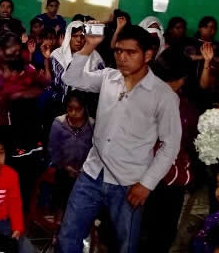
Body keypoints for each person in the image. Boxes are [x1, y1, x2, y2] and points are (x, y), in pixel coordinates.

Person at [56, 24, 181, 253]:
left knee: (126, 244)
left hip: (129, 182)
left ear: (148, 55)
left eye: (130, 52)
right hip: (93, 173)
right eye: (118, 51)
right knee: (68, 235)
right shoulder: (109, 77)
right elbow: (71, 77)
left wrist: (146, 184)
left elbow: (170, 145)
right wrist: (89, 47)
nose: (122, 57)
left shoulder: (163, 96)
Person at [139, 49, 198, 253]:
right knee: (151, 231)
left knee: (159, 231)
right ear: (182, 78)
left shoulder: (182, 104)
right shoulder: (180, 106)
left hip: (167, 177)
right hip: (149, 176)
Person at [48, 92, 94, 225]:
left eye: (78, 109)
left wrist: (83, 169)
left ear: (85, 108)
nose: (73, 113)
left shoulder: (92, 125)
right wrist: (65, 166)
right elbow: (53, 149)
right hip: (62, 169)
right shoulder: (59, 123)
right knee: (63, 185)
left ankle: (78, 223)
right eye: (70, 108)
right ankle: (59, 221)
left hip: (85, 170)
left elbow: (95, 150)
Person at [45, 21, 105, 106]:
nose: (79, 40)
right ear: (68, 37)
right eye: (74, 36)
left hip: (89, 101)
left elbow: (102, 82)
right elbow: (60, 83)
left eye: (82, 36)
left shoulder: (95, 56)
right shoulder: (58, 55)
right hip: (62, 99)